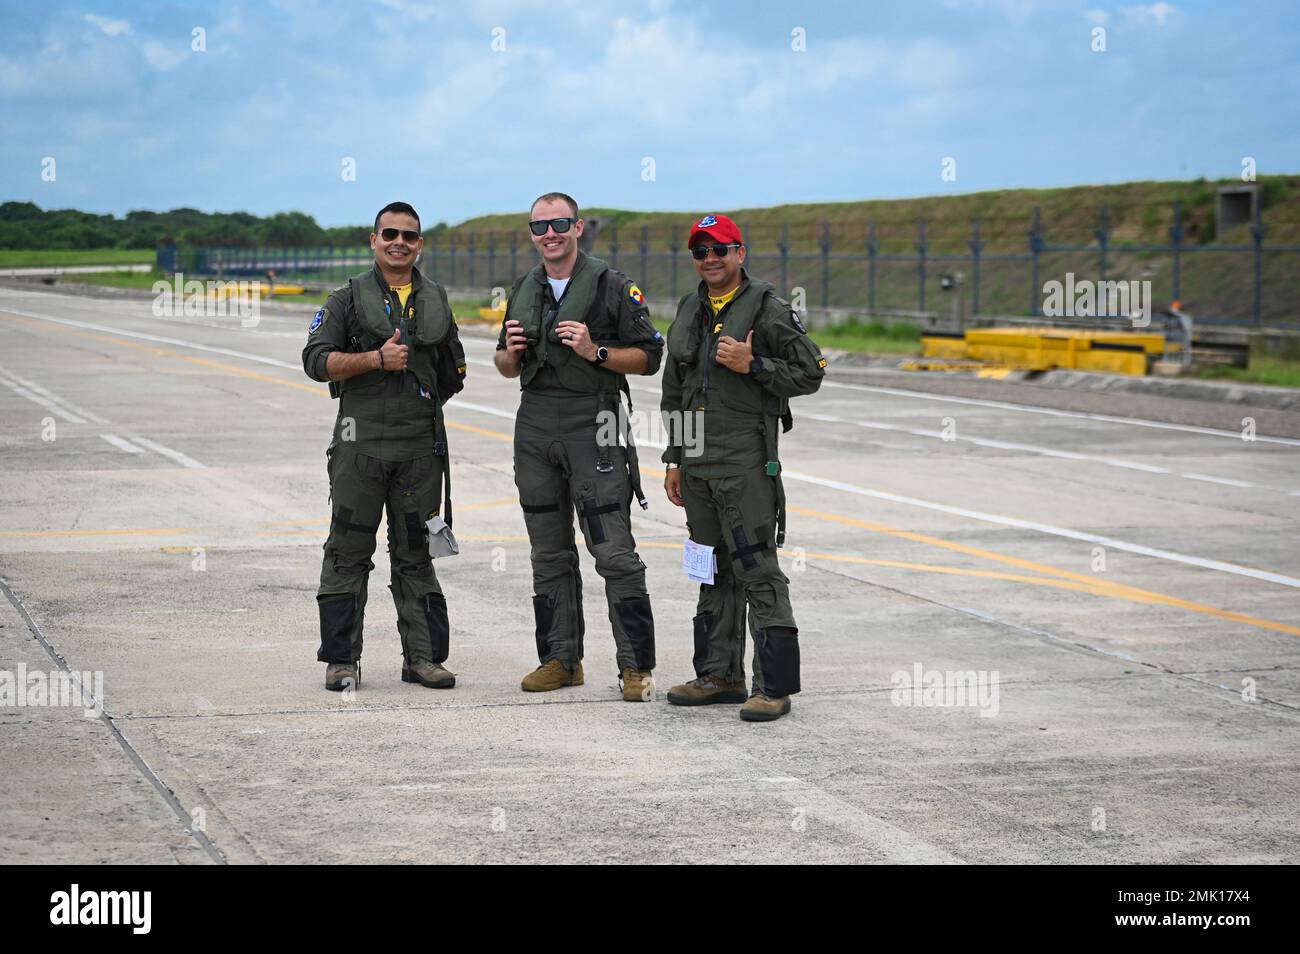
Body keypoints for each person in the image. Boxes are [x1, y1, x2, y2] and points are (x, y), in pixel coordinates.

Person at [494, 192, 663, 701]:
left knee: (612, 551)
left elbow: (650, 356)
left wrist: (596, 350)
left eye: (559, 224)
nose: (550, 234)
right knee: (548, 553)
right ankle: (561, 659)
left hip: (595, 423)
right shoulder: (525, 286)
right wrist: (511, 354)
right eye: (540, 226)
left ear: (578, 227)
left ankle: (636, 668)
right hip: (536, 424)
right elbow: (503, 364)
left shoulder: (612, 286)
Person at [660, 213, 826, 722]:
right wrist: (675, 460)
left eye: (720, 249)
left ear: (740, 253)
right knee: (711, 571)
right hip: (699, 466)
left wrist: (751, 365)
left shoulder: (768, 310)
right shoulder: (690, 308)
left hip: (747, 464)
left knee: (758, 572)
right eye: (701, 251)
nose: (710, 258)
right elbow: (675, 390)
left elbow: (811, 371)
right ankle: (719, 675)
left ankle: (773, 687)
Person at [302, 201, 466, 692]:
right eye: (389, 233)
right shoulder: (346, 299)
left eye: (409, 236)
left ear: (420, 244)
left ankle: (423, 658)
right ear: (372, 240)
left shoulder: (436, 298)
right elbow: (315, 360)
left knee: (417, 553)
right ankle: (341, 660)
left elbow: (452, 372)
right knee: (348, 552)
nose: (399, 242)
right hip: (360, 447)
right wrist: (374, 359)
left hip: (419, 450)